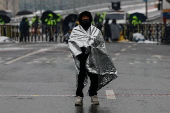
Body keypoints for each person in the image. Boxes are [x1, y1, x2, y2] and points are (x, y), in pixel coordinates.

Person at [68, 11, 117, 106]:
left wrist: (92, 47)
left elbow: (101, 44)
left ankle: (93, 94)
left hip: (93, 58)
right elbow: (71, 42)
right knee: (81, 77)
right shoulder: (76, 30)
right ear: (80, 19)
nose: (85, 19)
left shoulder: (96, 31)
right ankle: (79, 96)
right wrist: (78, 53)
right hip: (81, 58)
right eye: (83, 17)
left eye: (87, 17)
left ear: (90, 19)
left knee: (94, 77)